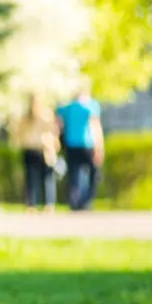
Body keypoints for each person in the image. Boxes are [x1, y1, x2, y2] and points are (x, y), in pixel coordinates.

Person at [56, 83, 105, 211]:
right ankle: (86, 200)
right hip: (88, 143)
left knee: (74, 173)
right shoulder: (91, 106)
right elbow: (95, 127)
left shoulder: (67, 108)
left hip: (71, 144)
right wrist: (99, 147)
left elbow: (58, 121)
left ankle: (74, 201)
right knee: (93, 173)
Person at [14, 92, 60, 213]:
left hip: (37, 148)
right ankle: (45, 204)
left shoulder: (30, 117)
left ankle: (35, 204)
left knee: (35, 179)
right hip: (39, 148)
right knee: (44, 178)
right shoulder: (43, 116)